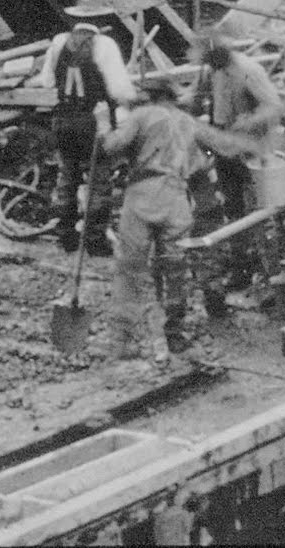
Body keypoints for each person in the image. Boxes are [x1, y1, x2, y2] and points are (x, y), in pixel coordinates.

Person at [98, 73, 208, 364]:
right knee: (174, 267)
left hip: (144, 194)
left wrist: (101, 124)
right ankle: (174, 335)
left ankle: (121, 342)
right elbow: (199, 164)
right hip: (176, 197)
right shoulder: (187, 121)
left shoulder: (143, 115)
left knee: (131, 266)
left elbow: (111, 147)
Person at [33, 0, 136, 257]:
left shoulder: (59, 42)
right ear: (102, 18)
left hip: (64, 119)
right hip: (94, 121)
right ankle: (94, 240)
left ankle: (65, 235)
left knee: (67, 176)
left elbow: (45, 81)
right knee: (99, 179)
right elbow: (120, 91)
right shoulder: (105, 46)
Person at [200, 40, 285, 218]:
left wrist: (250, 121)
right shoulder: (212, 70)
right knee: (230, 193)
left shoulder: (248, 71)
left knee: (256, 196)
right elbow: (199, 96)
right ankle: (236, 230)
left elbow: (274, 106)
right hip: (224, 142)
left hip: (250, 144)